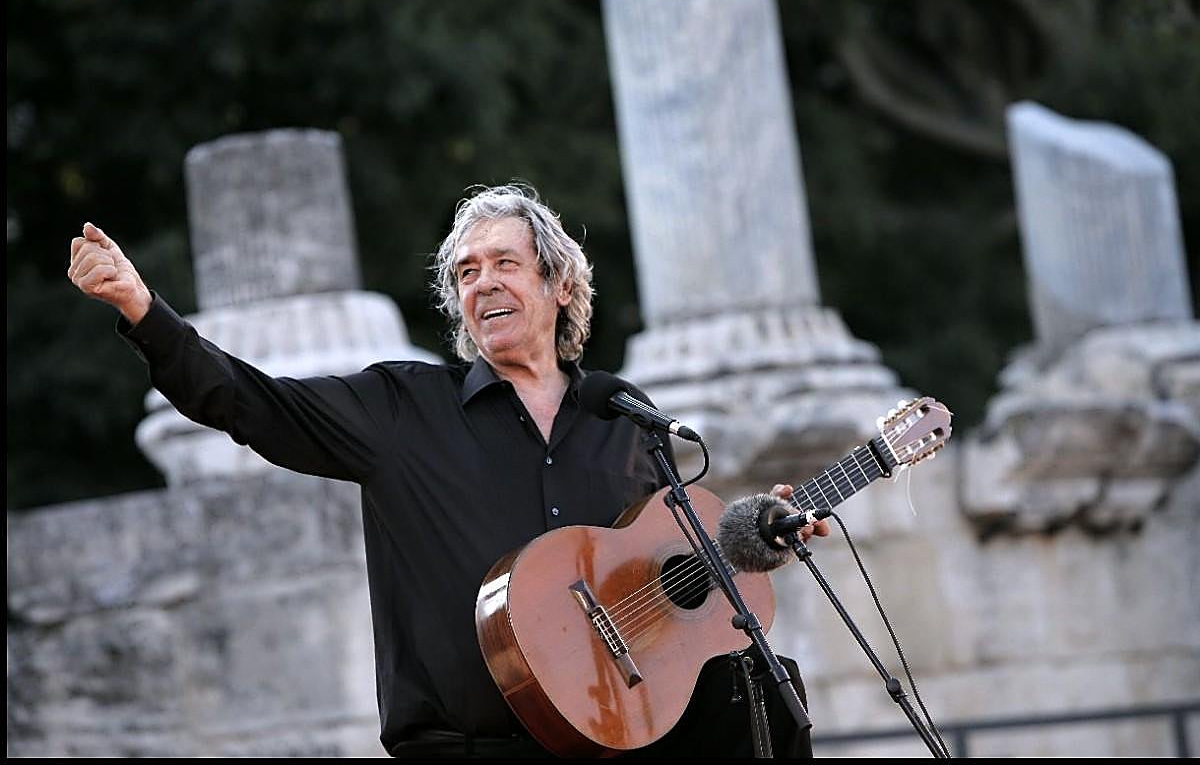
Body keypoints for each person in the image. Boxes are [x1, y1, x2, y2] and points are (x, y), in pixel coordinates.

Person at [68, 183, 829, 757]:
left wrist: (759, 537)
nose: (483, 283)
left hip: (610, 735)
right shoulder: (401, 409)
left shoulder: (622, 420)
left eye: (505, 263)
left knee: (762, 687)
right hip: (469, 747)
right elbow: (250, 404)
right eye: (466, 273)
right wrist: (143, 310)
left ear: (559, 286)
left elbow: (666, 582)